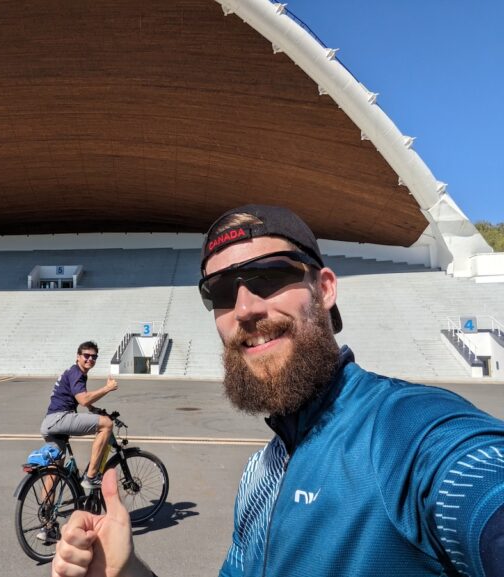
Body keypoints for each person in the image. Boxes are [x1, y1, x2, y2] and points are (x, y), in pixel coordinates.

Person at [52, 204, 504, 577]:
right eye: (222, 291)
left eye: (268, 276)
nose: (245, 309)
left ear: (324, 288)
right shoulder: (259, 476)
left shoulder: (412, 434)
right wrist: (126, 570)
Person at [41, 340, 118, 491]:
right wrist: (107, 388)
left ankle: (46, 511)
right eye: (86, 355)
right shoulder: (76, 373)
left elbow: (80, 397)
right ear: (78, 357)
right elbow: (83, 399)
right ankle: (91, 477)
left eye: (94, 357)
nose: (90, 359)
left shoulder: (73, 373)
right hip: (60, 419)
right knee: (107, 424)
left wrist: (94, 409)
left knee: (54, 471)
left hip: (49, 423)